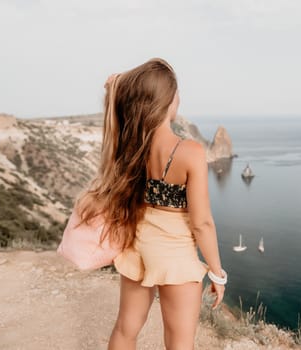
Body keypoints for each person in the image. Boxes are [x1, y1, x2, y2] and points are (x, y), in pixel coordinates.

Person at [75, 58, 226, 350]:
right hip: (175, 254)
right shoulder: (190, 151)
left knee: (125, 329)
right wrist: (218, 273)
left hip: (138, 243)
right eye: (177, 92)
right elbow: (202, 223)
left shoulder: (130, 144)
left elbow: (117, 108)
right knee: (180, 342)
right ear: (169, 100)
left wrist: (118, 87)